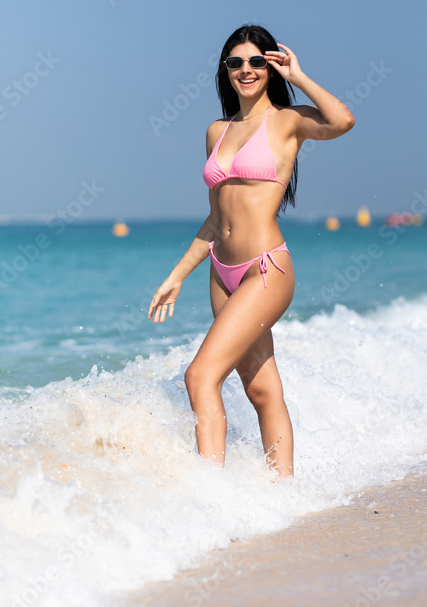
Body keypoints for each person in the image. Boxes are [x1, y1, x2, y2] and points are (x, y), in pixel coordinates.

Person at [148, 25, 354, 477]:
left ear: (270, 66)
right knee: (260, 390)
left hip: (265, 270)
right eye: (236, 62)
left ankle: (211, 498)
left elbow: (342, 121)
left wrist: (298, 76)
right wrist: (177, 275)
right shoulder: (217, 131)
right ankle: (283, 493)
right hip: (221, 273)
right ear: (225, 71)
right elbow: (215, 219)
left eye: (257, 61)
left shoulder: (286, 121)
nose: (247, 70)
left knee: (200, 376)